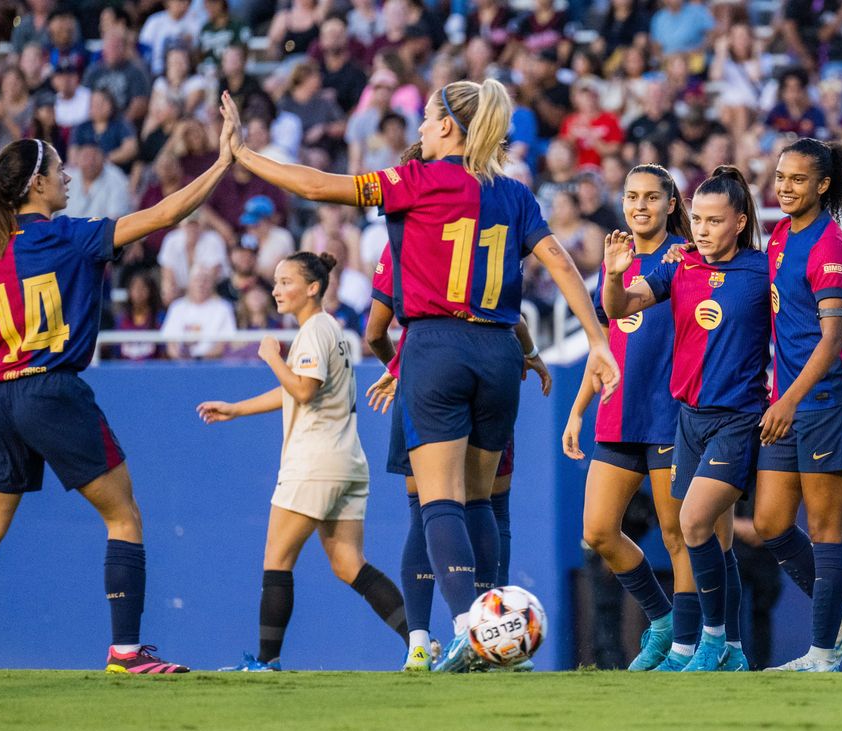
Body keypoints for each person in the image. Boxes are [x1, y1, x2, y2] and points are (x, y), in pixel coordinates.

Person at [217, 79, 619, 673]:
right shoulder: (513, 192)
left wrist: (243, 155)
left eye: (427, 119)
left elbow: (316, 185)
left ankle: (467, 632)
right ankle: (499, 633)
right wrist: (596, 337)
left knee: (439, 504)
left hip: (436, 345)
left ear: (449, 127)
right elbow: (559, 259)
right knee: (480, 502)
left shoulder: (414, 181)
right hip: (498, 349)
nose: (421, 129)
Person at [0, 132, 237, 675]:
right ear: (37, 183)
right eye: (59, 170)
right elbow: (165, 214)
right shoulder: (71, 237)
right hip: (52, 389)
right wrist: (223, 161)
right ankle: (126, 655)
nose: (67, 178)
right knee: (123, 516)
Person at [198, 252, 408, 671]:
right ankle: (419, 641)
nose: (276, 289)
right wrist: (237, 408)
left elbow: (305, 390)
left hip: (313, 462)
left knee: (277, 561)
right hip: (346, 461)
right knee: (350, 564)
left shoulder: (312, 331)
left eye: (285, 281)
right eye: (275, 281)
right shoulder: (331, 330)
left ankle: (266, 661)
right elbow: (299, 390)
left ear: (313, 288)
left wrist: (272, 356)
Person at [602, 166, 769, 671]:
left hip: (737, 419)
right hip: (688, 420)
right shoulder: (681, 267)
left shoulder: (764, 270)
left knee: (693, 524)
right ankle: (733, 651)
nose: (701, 229)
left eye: (713, 221)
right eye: (697, 219)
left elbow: (807, 310)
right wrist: (613, 274)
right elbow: (621, 308)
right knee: (712, 539)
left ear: (739, 222)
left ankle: (707, 642)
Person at [561, 164, 721, 671]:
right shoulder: (616, 261)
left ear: (672, 204)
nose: (640, 206)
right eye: (632, 196)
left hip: (669, 416)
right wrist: (577, 411)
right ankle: (662, 618)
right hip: (616, 414)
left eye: (652, 197)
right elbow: (604, 345)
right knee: (598, 531)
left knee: (678, 537)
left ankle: (688, 647)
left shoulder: (687, 260)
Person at [364, 243, 551, 671]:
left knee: (425, 508)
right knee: (487, 504)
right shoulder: (492, 227)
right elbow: (513, 316)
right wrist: (532, 355)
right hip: (494, 366)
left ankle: (420, 642)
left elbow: (376, 331)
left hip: (427, 370)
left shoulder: (405, 235)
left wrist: (399, 368)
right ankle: (491, 638)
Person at [755, 138, 842, 672]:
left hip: (829, 402)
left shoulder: (829, 245)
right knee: (770, 523)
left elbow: (830, 342)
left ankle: (823, 653)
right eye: (781, 177)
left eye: (797, 179)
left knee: (827, 529)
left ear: (822, 186)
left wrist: (786, 401)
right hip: (792, 401)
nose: (784, 187)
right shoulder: (781, 233)